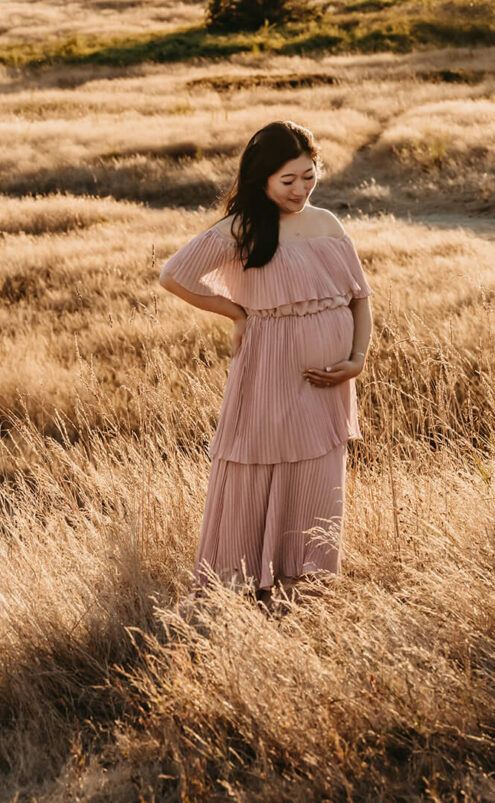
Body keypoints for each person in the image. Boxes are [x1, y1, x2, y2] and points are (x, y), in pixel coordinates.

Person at [158, 119, 373, 599]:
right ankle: (240, 581)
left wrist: (357, 358)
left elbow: (361, 298)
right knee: (258, 463)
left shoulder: (327, 224)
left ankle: (305, 582)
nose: (301, 189)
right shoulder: (242, 228)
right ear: (262, 180)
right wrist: (235, 311)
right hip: (269, 370)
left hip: (331, 383)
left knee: (316, 472)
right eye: (288, 180)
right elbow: (174, 275)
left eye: (309, 176)